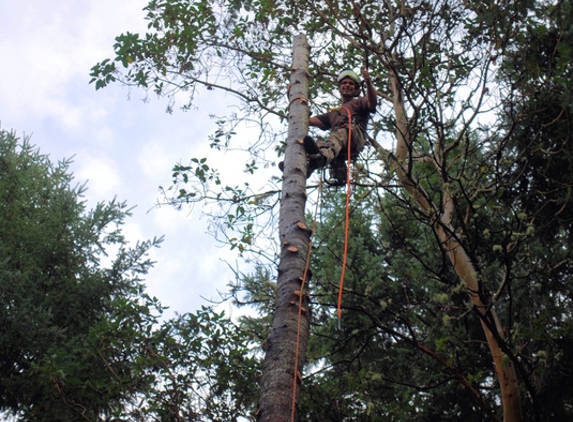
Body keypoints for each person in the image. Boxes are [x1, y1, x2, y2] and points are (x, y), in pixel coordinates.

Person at [304, 67, 377, 184]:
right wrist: (293, 99)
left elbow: (372, 103)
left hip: (354, 137)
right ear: (339, 88)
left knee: (342, 132)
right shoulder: (333, 114)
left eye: (351, 84)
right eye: (344, 83)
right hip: (340, 144)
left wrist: (368, 82)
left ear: (357, 90)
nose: (347, 85)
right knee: (319, 145)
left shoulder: (359, 101)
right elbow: (307, 121)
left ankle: (321, 157)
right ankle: (305, 166)